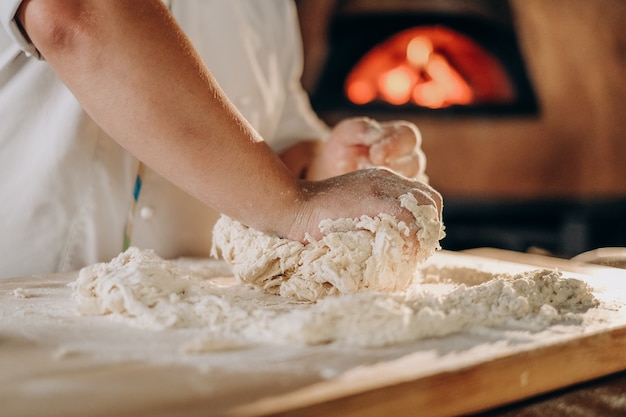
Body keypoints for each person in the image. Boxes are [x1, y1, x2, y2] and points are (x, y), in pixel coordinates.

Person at [0, 0, 441, 278]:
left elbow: (276, 142)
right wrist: (294, 205)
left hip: (193, 330)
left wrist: (329, 170)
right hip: (24, 311)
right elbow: (75, 13)